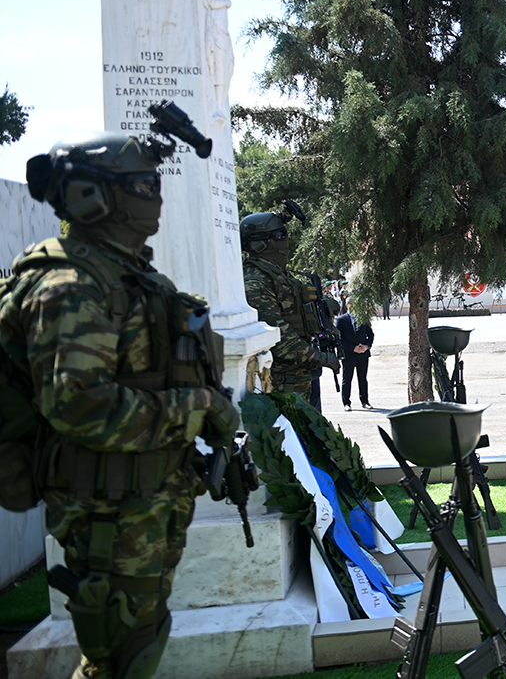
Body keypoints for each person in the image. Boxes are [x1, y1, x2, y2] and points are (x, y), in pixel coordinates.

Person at [4, 131, 240, 678]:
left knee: (134, 645)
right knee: (120, 658)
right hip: (107, 505)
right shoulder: (71, 285)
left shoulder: (129, 274)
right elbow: (78, 406)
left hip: (143, 495)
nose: (155, 196)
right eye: (142, 185)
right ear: (94, 197)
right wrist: (199, 404)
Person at [242, 211, 339, 401]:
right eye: (279, 236)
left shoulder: (279, 275)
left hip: (299, 372)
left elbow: (294, 312)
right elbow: (275, 331)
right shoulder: (256, 280)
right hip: (282, 379)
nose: (285, 242)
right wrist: (315, 356)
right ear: (260, 243)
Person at [335, 301, 374, 411]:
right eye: (351, 304)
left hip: (363, 355)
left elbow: (370, 334)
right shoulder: (341, 320)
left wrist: (366, 346)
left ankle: (365, 401)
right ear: (347, 305)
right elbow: (339, 338)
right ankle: (346, 403)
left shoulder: (363, 318)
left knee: (363, 379)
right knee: (347, 379)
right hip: (349, 355)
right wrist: (352, 348)